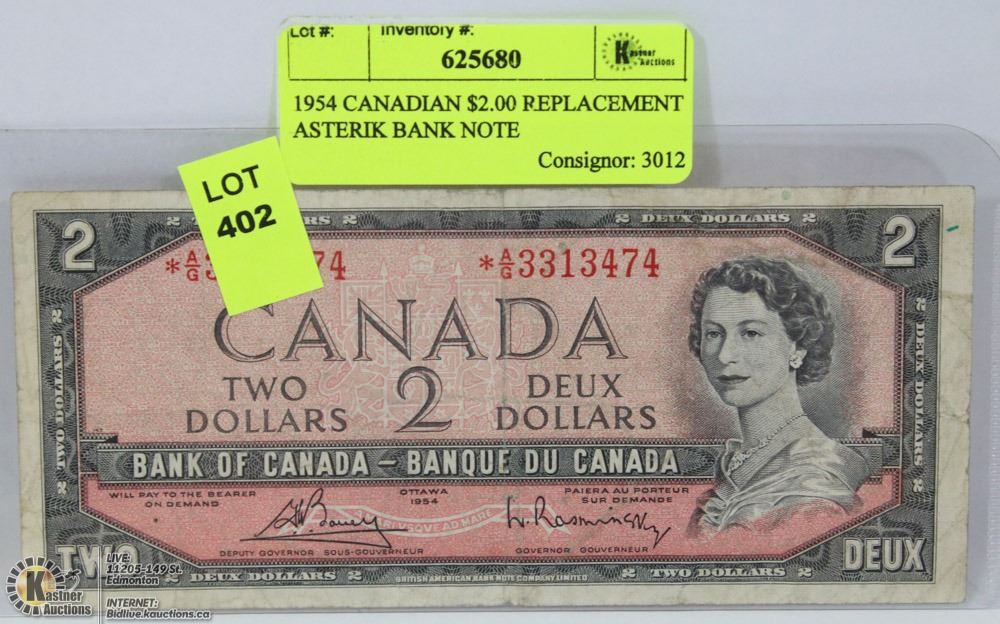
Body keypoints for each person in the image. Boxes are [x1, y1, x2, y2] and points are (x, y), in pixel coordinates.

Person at [686, 256, 870, 533]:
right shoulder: (735, 467)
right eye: (713, 334)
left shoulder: (814, 486)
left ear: (798, 346)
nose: (724, 355)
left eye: (750, 333)